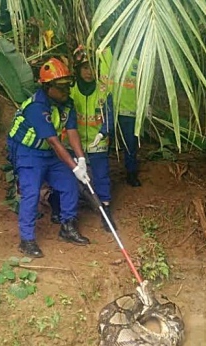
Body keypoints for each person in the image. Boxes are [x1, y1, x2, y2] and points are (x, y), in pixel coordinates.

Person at [7, 57, 91, 258]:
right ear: (47, 87)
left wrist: (81, 161)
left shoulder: (66, 103)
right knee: (31, 193)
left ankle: (67, 227)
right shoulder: (36, 107)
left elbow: (71, 131)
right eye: (61, 87)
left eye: (67, 86)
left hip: (50, 152)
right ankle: (26, 240)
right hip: (29, 153)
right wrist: (74, 166)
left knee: (69, 183)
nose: (66, 91)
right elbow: (54, 141)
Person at [68, 45, 116, 231]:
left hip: (98, 140)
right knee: (70, 175)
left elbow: (110, 115)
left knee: (101, 174)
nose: (89, 72)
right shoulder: (71, 91)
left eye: (92, 67)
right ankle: (69, 212)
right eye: (85, 67)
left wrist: (103, 132)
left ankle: (105, 208)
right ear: (78, 69)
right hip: (75, 141)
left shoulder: (103, 91)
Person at [100, 46, 142, 187]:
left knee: (130, 144)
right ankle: (102, 175)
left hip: (129, 109)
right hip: (107, 108)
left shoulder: (136, 59)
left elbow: (142, 84)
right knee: (103, 142)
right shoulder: (103, 54)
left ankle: (131, 173)